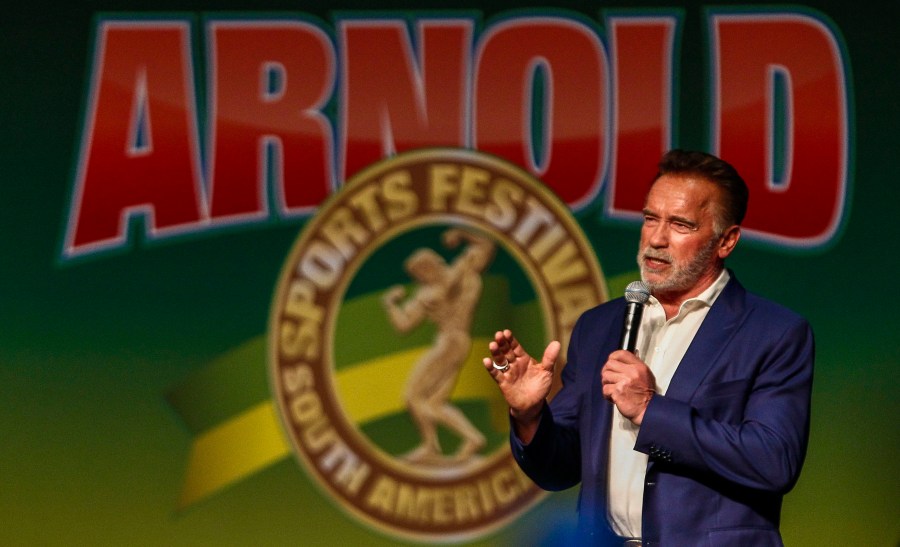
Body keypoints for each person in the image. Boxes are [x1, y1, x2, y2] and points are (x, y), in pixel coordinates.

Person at [483, 150, 814, 546]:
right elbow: (560, 469)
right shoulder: (598, 326)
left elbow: (773, 461)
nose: (656, 238)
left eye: (680, 224)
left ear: (726, 240)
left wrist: (649, 409)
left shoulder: (773, 333)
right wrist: (530, 416)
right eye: (650, 218)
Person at [383, 228, 495, 465]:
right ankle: (461, 441)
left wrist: (392, 303)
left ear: (432, 264)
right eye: (418, 274)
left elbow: (486, 245)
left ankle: (436, 444)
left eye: (422, 270)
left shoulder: (443, 285)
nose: (421, 276)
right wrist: (391, 305)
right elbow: (404, 326)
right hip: (459, 343)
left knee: (413, 397)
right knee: (434, 403)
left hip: (449, 343)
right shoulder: (459, 273)